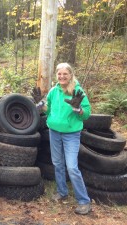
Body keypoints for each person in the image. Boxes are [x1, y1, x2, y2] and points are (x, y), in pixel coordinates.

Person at [32, 62, 92, 215]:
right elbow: (48, 110)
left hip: (71, 134)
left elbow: (86, 114)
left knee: (72, 167)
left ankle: (84, 201)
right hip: (54, 132)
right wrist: (40, 105)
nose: (62, 76)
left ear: (71, 75)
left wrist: (78, 109)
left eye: (65, 74)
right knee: (58, 163)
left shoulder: (78, 91)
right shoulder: (53, 91)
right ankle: (62, 192)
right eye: (59, 74)